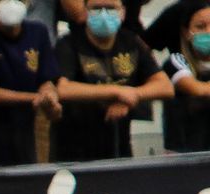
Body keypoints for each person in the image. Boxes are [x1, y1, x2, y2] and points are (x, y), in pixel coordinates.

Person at [53, 0, 171, 161]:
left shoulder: (131, 42)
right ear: (85, 12)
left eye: (110, 8)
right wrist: (118, 91)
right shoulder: (68, 43)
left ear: (122, 12)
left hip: (119, 145)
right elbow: (63, 89)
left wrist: (132, 96)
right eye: (96, 8)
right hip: (74, 147)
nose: (103, 13)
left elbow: (165, 86)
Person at [0, 0, 60, 166]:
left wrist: (49, 94)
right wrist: (35, 97)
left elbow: (46, 79)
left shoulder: (38, 32)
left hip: (24, 131)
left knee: (26, 185)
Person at [163, 0, 210, 152]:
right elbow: (197, 89)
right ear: (186, 32)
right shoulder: (176, 60)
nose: (208, 31)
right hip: (184, 155)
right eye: (200, 26)